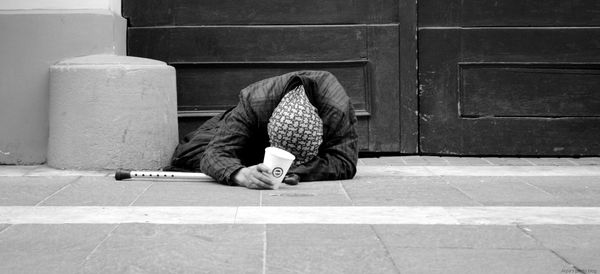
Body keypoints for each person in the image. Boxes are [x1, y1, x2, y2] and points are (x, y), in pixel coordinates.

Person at [166, 70, 358, 189]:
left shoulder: (336, 109)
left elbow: (345, 161)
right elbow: (215, 153)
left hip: (270, 151)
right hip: (243, 137)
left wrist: (298, 171)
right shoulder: (254, 103)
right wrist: (240, 175)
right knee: (190, 154)